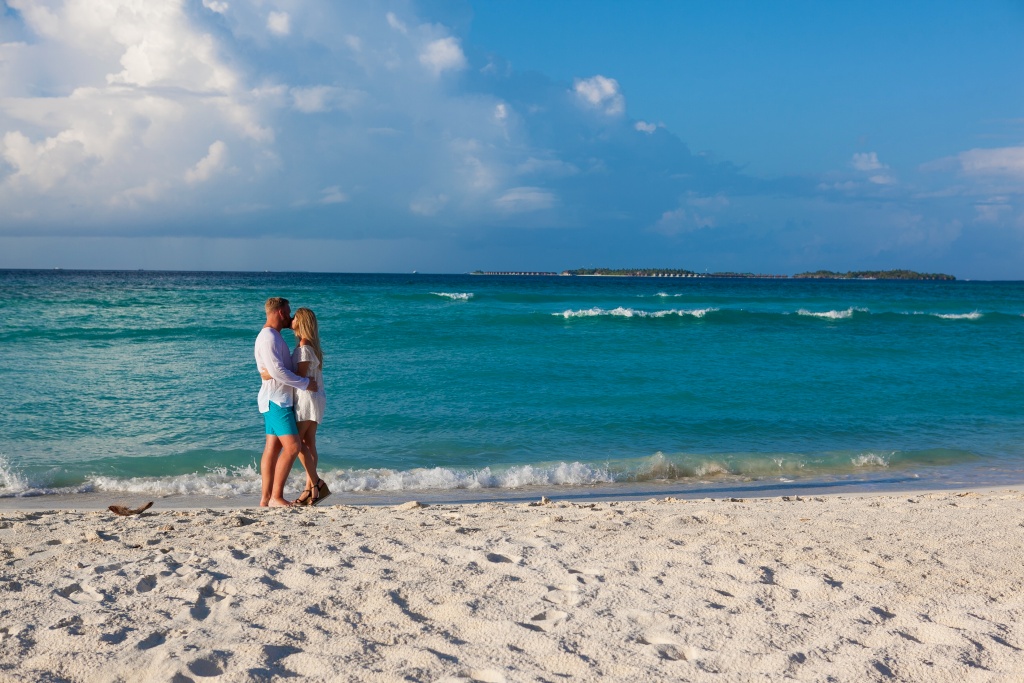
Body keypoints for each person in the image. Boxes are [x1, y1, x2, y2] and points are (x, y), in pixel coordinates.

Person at [254, 297, 319, 507]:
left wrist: (269, 374)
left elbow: (275, 370)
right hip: (277, 400)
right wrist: (304, 383)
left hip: (276, 398)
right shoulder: (269, 337)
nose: (290, 317)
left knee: (272, 448)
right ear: (281, 312)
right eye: (288, 312)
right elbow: (277, 371)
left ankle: (266, 499)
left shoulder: (273, 336)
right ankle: (276, 497)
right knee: (292, 447)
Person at [289, 308, 330, 506]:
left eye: (295, 317)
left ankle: (316, 483)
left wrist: (275, 373)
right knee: (309, 442)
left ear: (301, 322)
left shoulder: (304, 346)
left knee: (295, 442)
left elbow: (299, 376)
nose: (291, 320)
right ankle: (309, 489)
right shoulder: (312, 345)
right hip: (316, 396)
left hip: (307, 398)